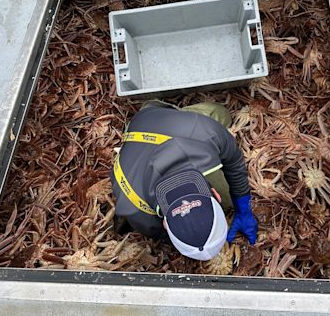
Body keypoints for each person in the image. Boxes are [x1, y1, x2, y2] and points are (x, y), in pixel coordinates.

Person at [110, 100, 258, 261]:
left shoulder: (205, 133)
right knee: (220, 119)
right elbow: (234, 161)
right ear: (215, 194)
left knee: (221, 114)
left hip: (158, 123)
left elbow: (234, 161)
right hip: (145, 135)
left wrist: (244, 208)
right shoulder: (133, 209)